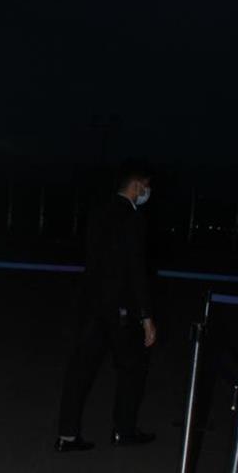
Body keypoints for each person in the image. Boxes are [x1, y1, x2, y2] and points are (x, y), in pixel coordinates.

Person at [55, 162, 157, 451]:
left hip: (91, 305)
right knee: (132, 368)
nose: (147, 194)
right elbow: (136, 270)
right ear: (137, 186)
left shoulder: (99, 212)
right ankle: (123, 430)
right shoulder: (133, 219)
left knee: (80, 369)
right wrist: (146, 315)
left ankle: (67, 435)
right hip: (120, 309)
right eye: (146, 188)